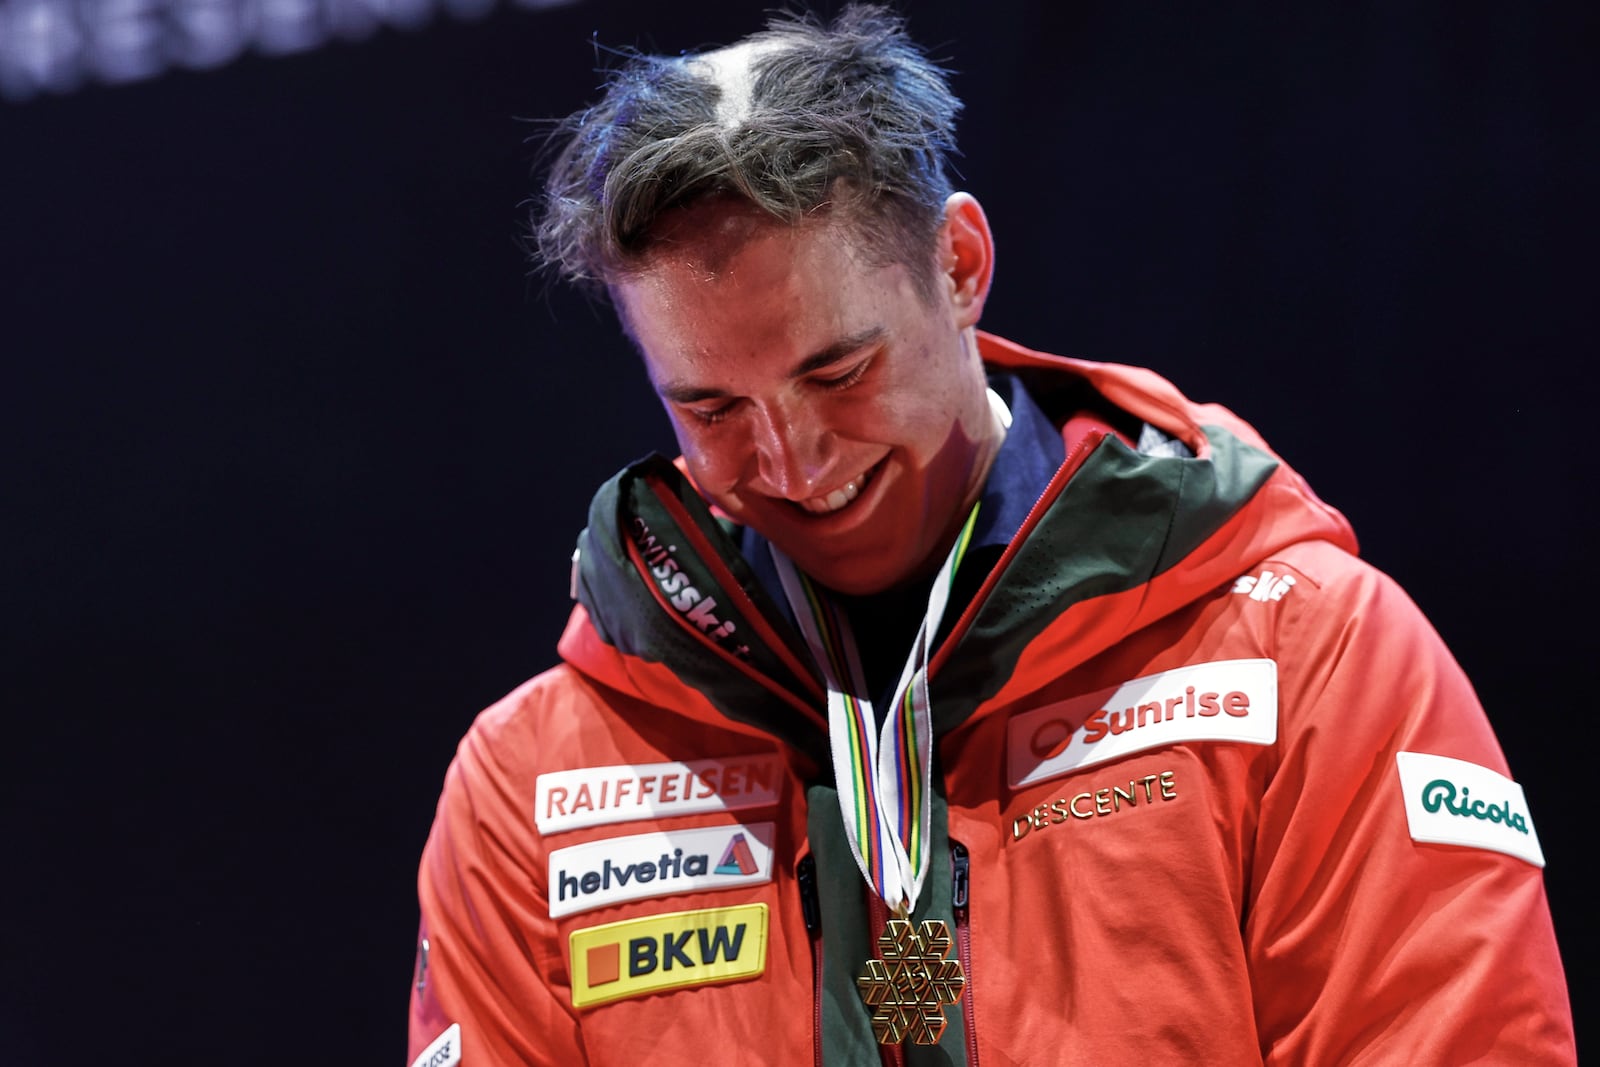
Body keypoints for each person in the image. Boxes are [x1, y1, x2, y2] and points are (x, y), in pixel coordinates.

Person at [407, 6, 1575, 1064]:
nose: (795, 459)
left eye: (839, 368)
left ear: (958, 264)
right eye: (710, 408)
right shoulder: (541, 776)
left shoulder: (1301, 653)